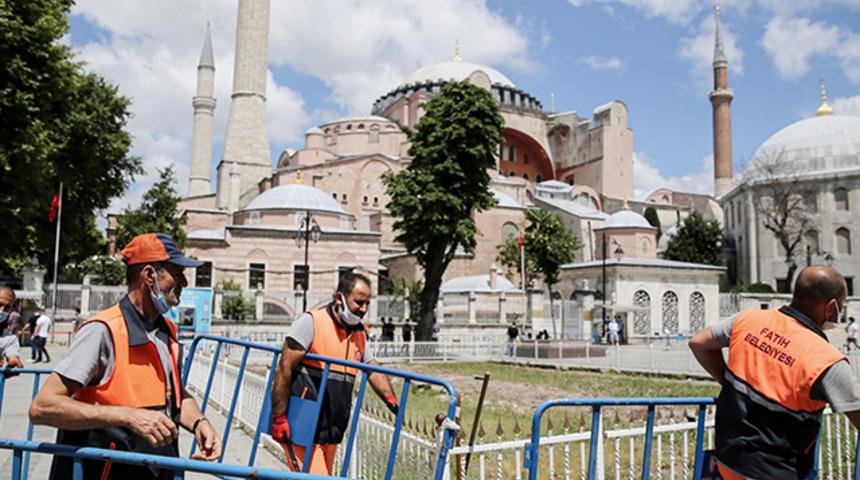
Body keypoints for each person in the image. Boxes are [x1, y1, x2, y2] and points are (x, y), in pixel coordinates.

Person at [29, 233, 221, 479]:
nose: (184, 281)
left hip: (157, 468)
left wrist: (200, 423)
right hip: (103, 470)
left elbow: (174, 394)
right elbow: (43, 407)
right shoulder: (102, 330)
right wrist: (128, 416)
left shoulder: (167, 330)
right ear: (150, 275)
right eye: (177, 272)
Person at [689, 266, 860, 480]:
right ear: (831, 307)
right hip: (775, 470)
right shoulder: (825, 359)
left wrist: (730, 383)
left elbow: (699, 343)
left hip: (728, 461)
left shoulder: (748, 320)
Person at [269, 273, 399, 474]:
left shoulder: (358, 333)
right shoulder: (311, 322)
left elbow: (372, 368)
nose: (363, 309)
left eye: (367, 303)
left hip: (333, 429)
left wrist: (391, 399)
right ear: (340, 298)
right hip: (303, 426)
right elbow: (283, 369)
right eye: (358, 302)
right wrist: (279, 417)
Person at [0, 286, 24, 376]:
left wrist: (14, 364)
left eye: (6, 307)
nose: (1, 310)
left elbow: (14, 359)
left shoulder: (9, 338)